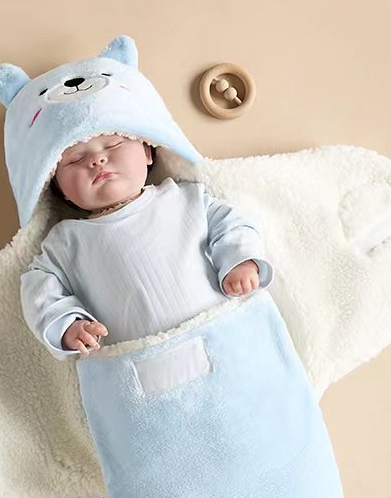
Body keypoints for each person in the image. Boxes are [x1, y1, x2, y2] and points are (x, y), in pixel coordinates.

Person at [20, 133, 275, 358]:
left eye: (113, 144)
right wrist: (66, 326)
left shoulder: (185, 197)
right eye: (75, 159)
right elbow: (38, 288)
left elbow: (231, 224)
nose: (97, 160)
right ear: (60, 188)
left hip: (224, 337)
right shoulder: (65, 241)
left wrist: (240, 260)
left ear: (146, 152)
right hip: (143, 365)